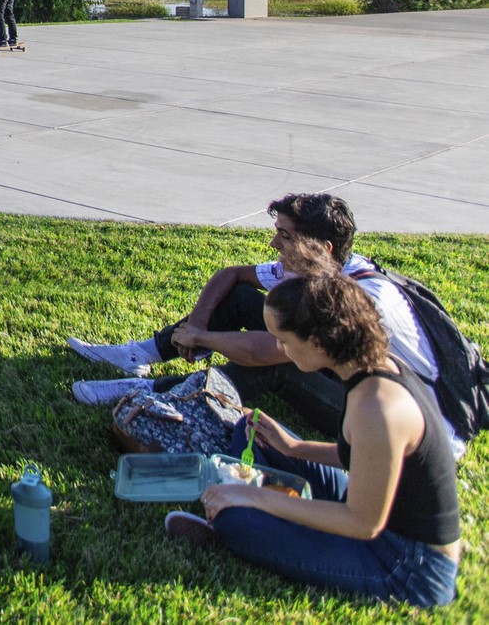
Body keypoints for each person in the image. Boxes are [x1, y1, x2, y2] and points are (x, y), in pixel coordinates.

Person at [66, 193, 463, 454]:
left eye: (285, 236)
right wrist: (197, 324)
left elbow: (273, 352)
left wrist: (203, 336)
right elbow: (232, 276)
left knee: (282, 365)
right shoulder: (325, 268)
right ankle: (140, 355)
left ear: (321, 248)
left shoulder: (357, 298)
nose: (275, 245)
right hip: (366, 386)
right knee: (240, 299)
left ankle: (150, 388)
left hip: (415, 422)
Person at [164, 259, 460, 608]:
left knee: (235, 521)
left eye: (284, 341)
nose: (280, 350)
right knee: (251, 429)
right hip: (382, 513)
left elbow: (363, 522)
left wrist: (253, 498)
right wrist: (294, 447)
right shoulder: (374, 367)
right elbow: (365, 455)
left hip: (406, 565)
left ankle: (247, 512)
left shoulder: (378, 406)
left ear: (319, 342)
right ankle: (261, 502)